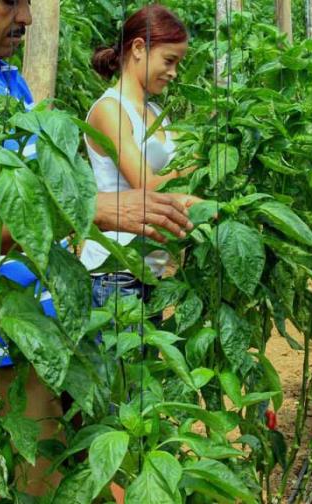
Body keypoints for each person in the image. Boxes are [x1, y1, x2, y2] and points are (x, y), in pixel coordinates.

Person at [0, 0, 193, 500]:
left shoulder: (8, 81)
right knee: (26, 489)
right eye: (12, 2)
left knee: (53, 481)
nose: (27, 17)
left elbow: (39, 187)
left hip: (44, 328)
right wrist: (87, 209)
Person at [82, 5, 192, 310]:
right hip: (115, 272)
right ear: (139, 48)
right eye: (169, 61)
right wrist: (201, 161)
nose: (173, 72)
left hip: (150, 270)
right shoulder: (110, 110)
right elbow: (151, 187)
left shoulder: (157, 113)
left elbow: (183, 171)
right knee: (120, 359)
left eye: (178, 64)